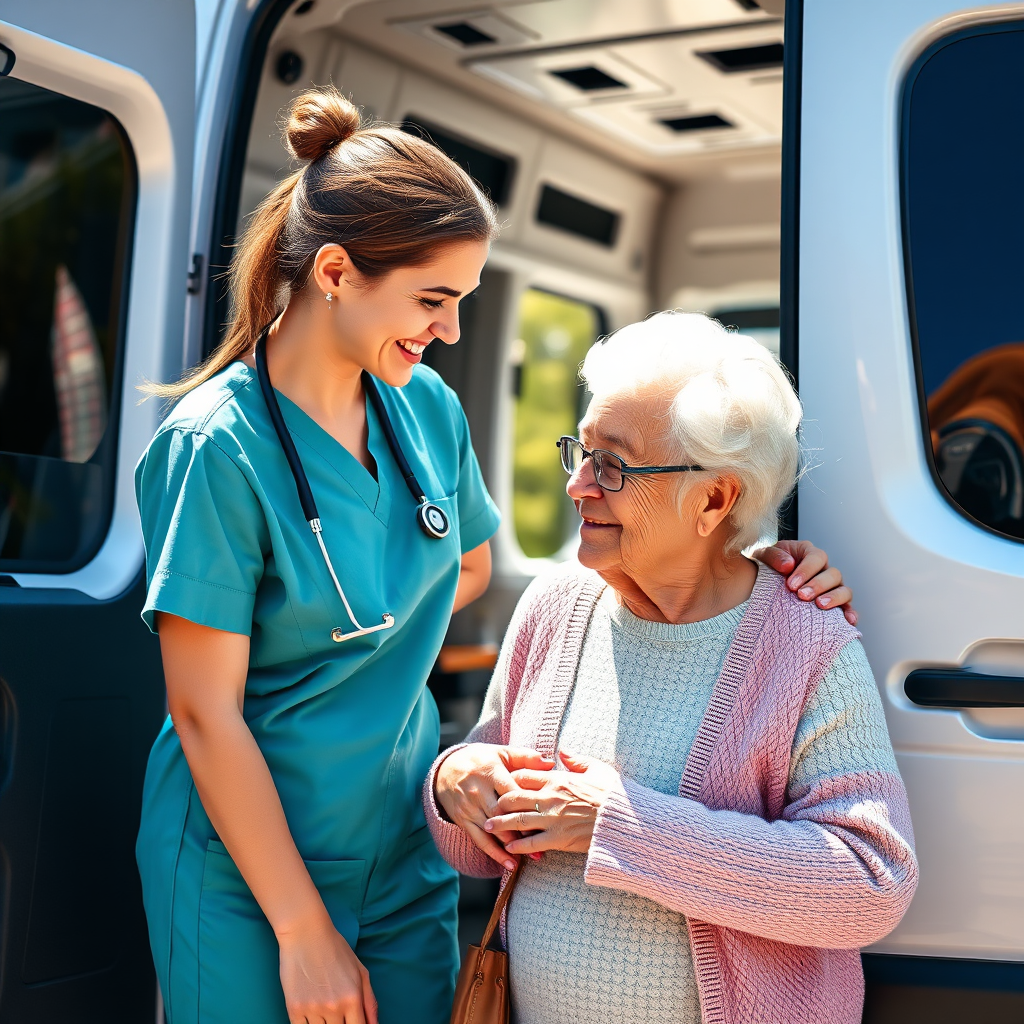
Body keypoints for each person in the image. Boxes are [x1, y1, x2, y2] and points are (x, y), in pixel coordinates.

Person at [135, 87, 856, 1024]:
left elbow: (466, 569)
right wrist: (303, 932)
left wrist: (750, 561)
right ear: (337, 273)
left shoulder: (424, 410)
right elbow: (202, 713)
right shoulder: (215, 447)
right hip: (248, 864)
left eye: (464, 301)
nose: (453, 331)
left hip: (397, 839)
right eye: (433, 300)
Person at [427, 312, 918, 1024]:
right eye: (582, 452)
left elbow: (871, 881)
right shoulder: (555, 606)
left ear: (714, 500)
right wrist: (453, 785)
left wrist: (615, 823)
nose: (579, 487)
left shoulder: (805, 642)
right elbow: (475, 843)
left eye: (614, 466)